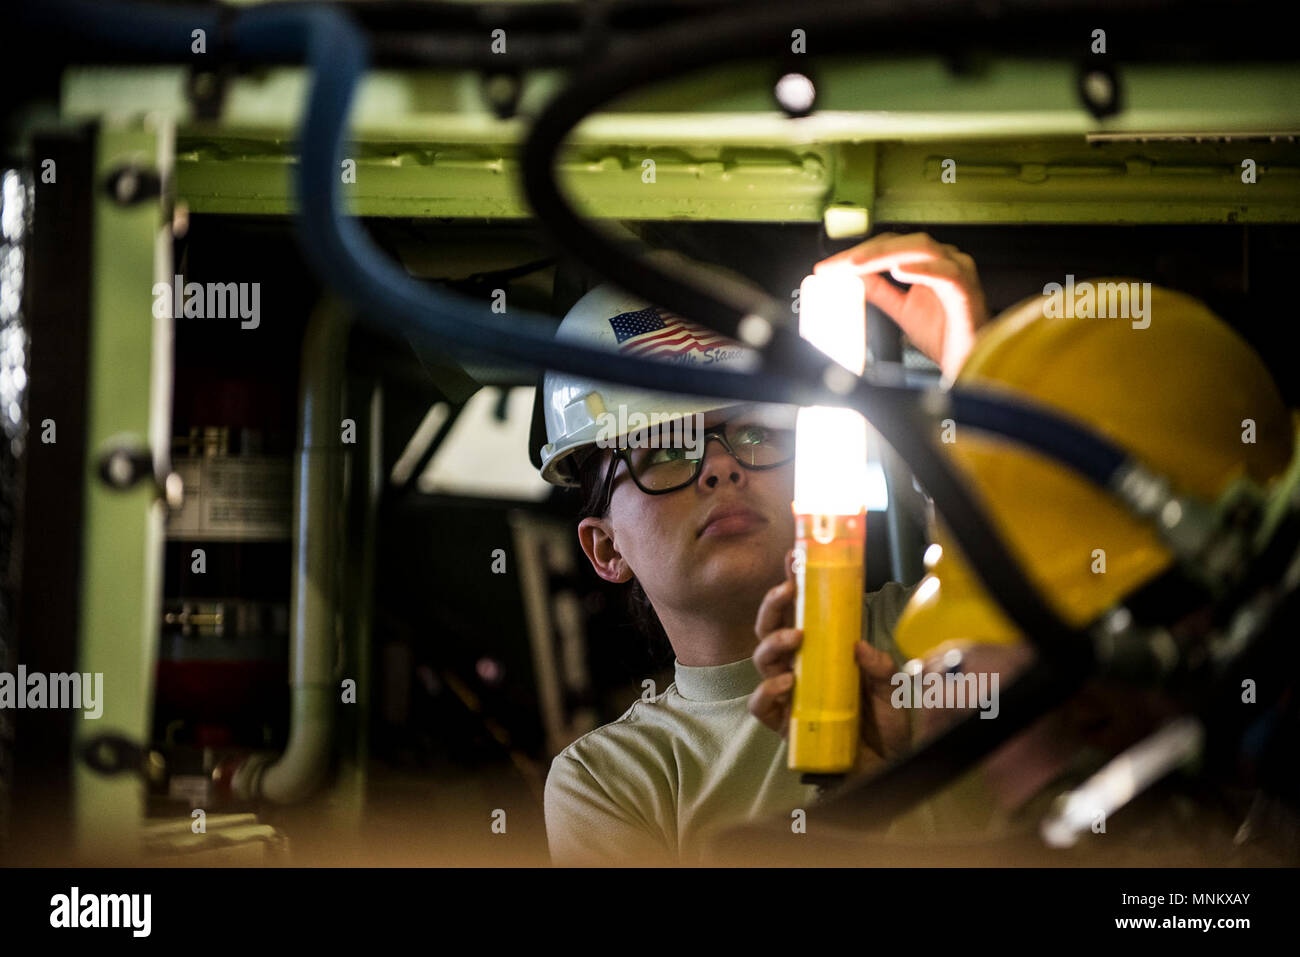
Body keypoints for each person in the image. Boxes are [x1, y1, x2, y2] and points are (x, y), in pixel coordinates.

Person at [539, 233, 989, 866]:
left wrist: (972, 371)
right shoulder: (612, 780)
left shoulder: (931, 635)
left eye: (754, 431)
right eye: (666, 451)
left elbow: (1018, 563)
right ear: (606, 547)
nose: (722, 468)